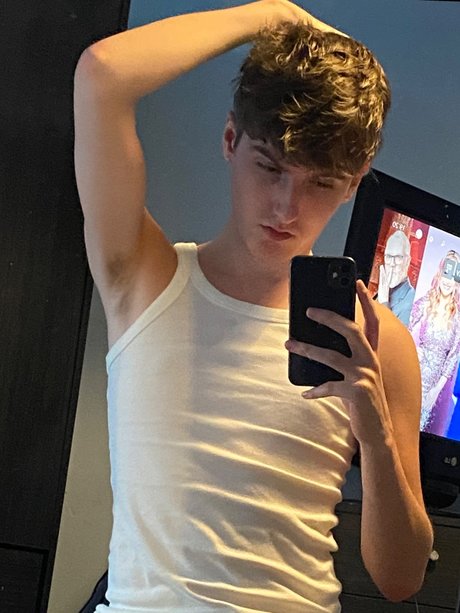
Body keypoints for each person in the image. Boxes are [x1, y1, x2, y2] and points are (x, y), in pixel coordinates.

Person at [73, 1, 433, 611]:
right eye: (270, 167)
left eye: (321, 183)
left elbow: (401, 579)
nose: (286, 208)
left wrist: (374, 436)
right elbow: (103, 75)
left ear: (354, 182)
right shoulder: (142, 276)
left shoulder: (379, 343)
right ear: (230, 140)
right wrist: (271, 14)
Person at [408, 250, 460, 435]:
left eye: (453, 275)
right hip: (413, 375)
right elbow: (404, 329)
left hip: (432, 387)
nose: (448, 281)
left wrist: (435, 392)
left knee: (417, 431)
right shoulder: (425, 302)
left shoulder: (457, 318)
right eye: (446, 272)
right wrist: (412, 349)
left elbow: (452, 358)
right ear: (440, 273)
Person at [377, 229, 415, 325]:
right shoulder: (382, 290)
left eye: (398, 257)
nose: (392, 263)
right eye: (388, 256)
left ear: (407, 261)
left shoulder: (411, 300)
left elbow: (392, 334)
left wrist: (384, 303)